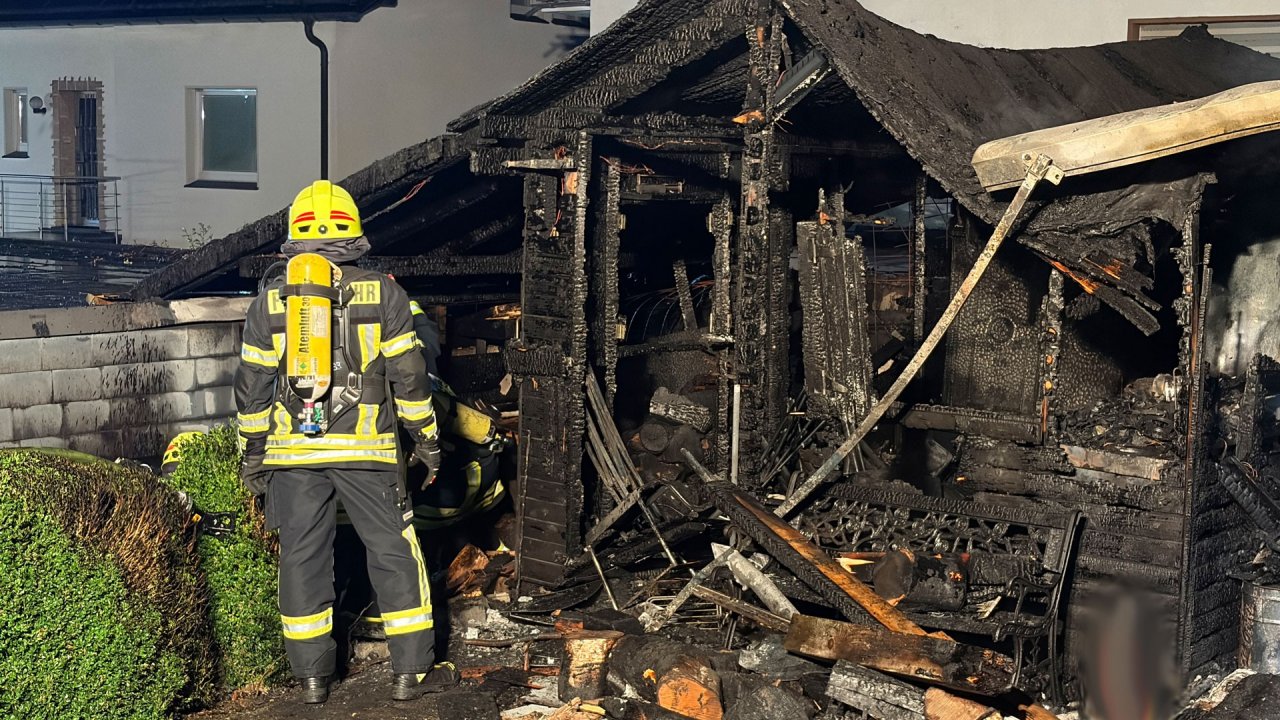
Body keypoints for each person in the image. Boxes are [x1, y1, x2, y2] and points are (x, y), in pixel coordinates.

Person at [234, 179, 458, 704]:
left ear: (294, 237)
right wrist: (426, 441)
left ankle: (313, 679)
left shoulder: (270, 302)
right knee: (393, 553)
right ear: (355, 234)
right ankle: (411, 673)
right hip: (369, 454)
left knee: (303, 559)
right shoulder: (385, 293)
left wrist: (253, 453)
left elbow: (251, 390)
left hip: (292, 458)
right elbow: (410, 378)